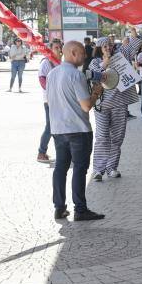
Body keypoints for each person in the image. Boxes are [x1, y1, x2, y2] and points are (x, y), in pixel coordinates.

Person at [47, 41, 105, 221]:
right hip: (78, 129)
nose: (85, 56)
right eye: (82, 53)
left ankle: (59, 207)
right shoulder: (75, 75)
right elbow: (86, 106)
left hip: (58, 129)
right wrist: (96, 92)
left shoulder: (52, 74)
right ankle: (80, 209)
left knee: (61, 168)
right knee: (80, 169)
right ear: (72, 53)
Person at [87, 29, 142, 180]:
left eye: (109, 46)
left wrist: (133, 33)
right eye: (104, 46)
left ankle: (112, 167)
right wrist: (104, 64)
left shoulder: (121, 56)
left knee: (117, 137)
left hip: (120, 103)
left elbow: (132, 48)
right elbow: (94, 77)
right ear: (99, 48)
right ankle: (98, 169)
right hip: (102, 105)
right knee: (102, 137)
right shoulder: (94, 62)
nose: (108, 48)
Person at [37, 39, 63, 163]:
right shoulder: (46, 62)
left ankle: (62, 153)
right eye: (56, 47)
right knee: (50, 127)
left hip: (60, 100)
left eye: (60, 47)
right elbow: (42, 81)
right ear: (51, 49)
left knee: (58, 126)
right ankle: (41, 152)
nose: (59, 50)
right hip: (50, 100)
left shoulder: (60, 63)